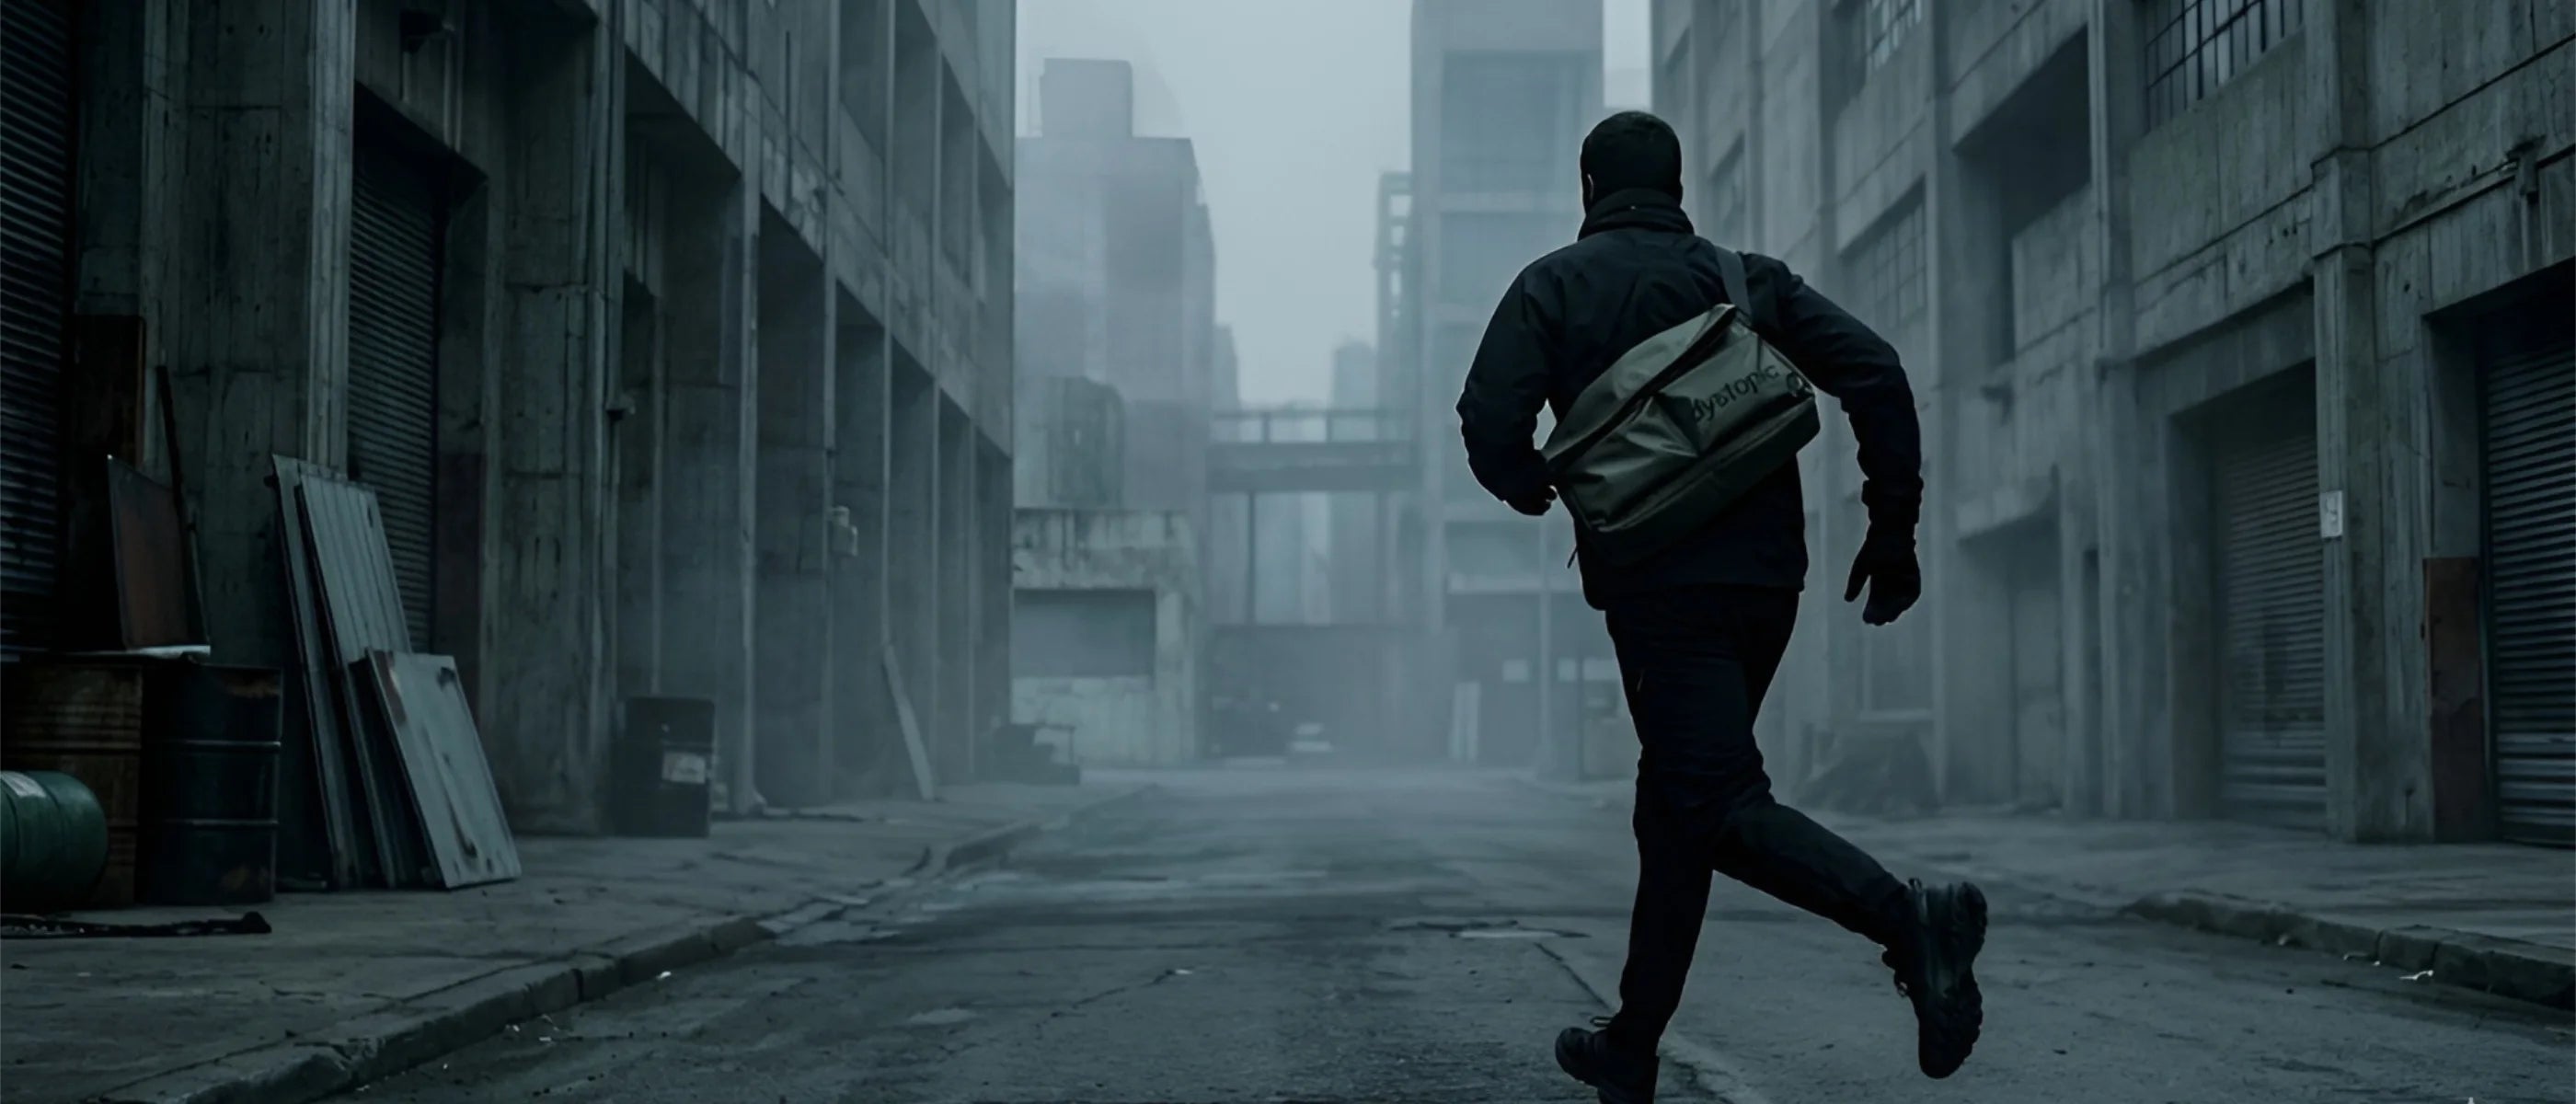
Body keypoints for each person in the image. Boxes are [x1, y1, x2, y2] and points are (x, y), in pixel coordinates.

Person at [1454, 110, 1988, 1102]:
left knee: (1713, 802)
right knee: (1676, 808)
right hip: (1766, 585)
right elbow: (1875, 371)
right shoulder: (1744, 281)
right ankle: (1630, 1045)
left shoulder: (1552, 286)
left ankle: (1908, 920)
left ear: (1588, 188)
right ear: (1677, 185)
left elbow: (1488, 419)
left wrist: (1527, 483)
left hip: (1660, 592)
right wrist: (1891, 529)